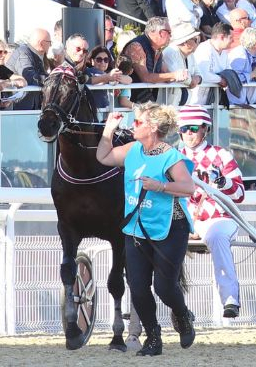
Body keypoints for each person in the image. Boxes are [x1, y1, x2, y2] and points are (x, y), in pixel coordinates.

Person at [97, 103, 199, 357]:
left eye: (138, 122)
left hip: (169, 227)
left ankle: (183, 315)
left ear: (152, 128)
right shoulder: (133, 150)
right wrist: (108, 129)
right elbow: (103, 157)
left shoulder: (171, 157)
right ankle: (154, 338)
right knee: (138, 286)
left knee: (164, 288)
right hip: (136, 228)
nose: (133, 125)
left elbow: (188, 188)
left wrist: (160, 186)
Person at [173, 105, 248, 318]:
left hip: (218, 217)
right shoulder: (174, 156)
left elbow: (240, 194)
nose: (188, 133)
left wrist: (223, 182)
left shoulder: (221, 155)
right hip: (183, 218)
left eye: (193, 128)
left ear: (205, 129)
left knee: (216, 236)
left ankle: (230, 298)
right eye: (184, 128)